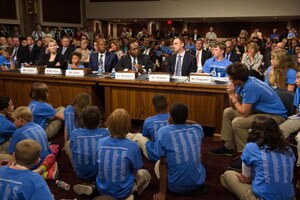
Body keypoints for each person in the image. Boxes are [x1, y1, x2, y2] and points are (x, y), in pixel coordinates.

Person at [209, 63, 287, 170]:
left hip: (275, 116)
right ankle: (228, 147)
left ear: (237, 80)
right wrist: (231, 94)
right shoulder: (244, 82)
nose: (228, 78)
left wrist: (232, 95)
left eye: (230, 77)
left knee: (238, 122)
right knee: (228, 112)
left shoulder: (250, 87)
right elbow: (234, 106)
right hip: (260, 112)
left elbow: (244, 113)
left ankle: (245, 157)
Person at [221, 116, 295, 200]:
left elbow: (246, 179)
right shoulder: (288, 149)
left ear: (253, 131)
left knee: (227, 175)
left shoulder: (251, 147)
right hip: (290, 197)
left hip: (262, 197)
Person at [153, 103, 206, 200]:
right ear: (187, 116)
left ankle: (163, 190)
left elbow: (163, 163)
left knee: (158, 163)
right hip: (199, 184)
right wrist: (183, 120)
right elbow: (196, 123)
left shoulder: (163, 132)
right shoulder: (198, 129)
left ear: (170, 118)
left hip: (175, 187)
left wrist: (161, 192)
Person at [95, 108, 151, 199]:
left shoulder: (100, 142)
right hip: (123, 192)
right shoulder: (132, 145)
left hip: (101, 190)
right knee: (146, 174)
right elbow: (136, 169)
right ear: (128, 126)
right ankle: (132, 193)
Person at [8, 107, 58, 179]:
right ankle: (46, 169)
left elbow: (11, 152)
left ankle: (35, 174)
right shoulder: (39, 126)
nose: (13, 122)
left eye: (14, 120)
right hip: (46, 157)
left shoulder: (18, 133)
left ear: (20, 119)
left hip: (33, 164)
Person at [68, 106, 109, 181]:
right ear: (100, 121)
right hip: (100, 173)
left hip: (80, 174)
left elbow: (71, 148)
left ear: (82, 121)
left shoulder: (74, 134)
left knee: (68, 144)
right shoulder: (105, 133)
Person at [133, 95, 170, 161]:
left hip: (155, 155)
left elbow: (146, 136)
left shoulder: (148, 121)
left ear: (154, 107)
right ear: (168, 104)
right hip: (171, 155)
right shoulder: (174, 118)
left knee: (138, 136)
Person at [280, 70, 300, 138]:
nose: (295, 81)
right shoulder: (298, 89)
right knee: (280, 130)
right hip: (298, 118)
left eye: (298, 78)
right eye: (296, 78)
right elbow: (297, 109)